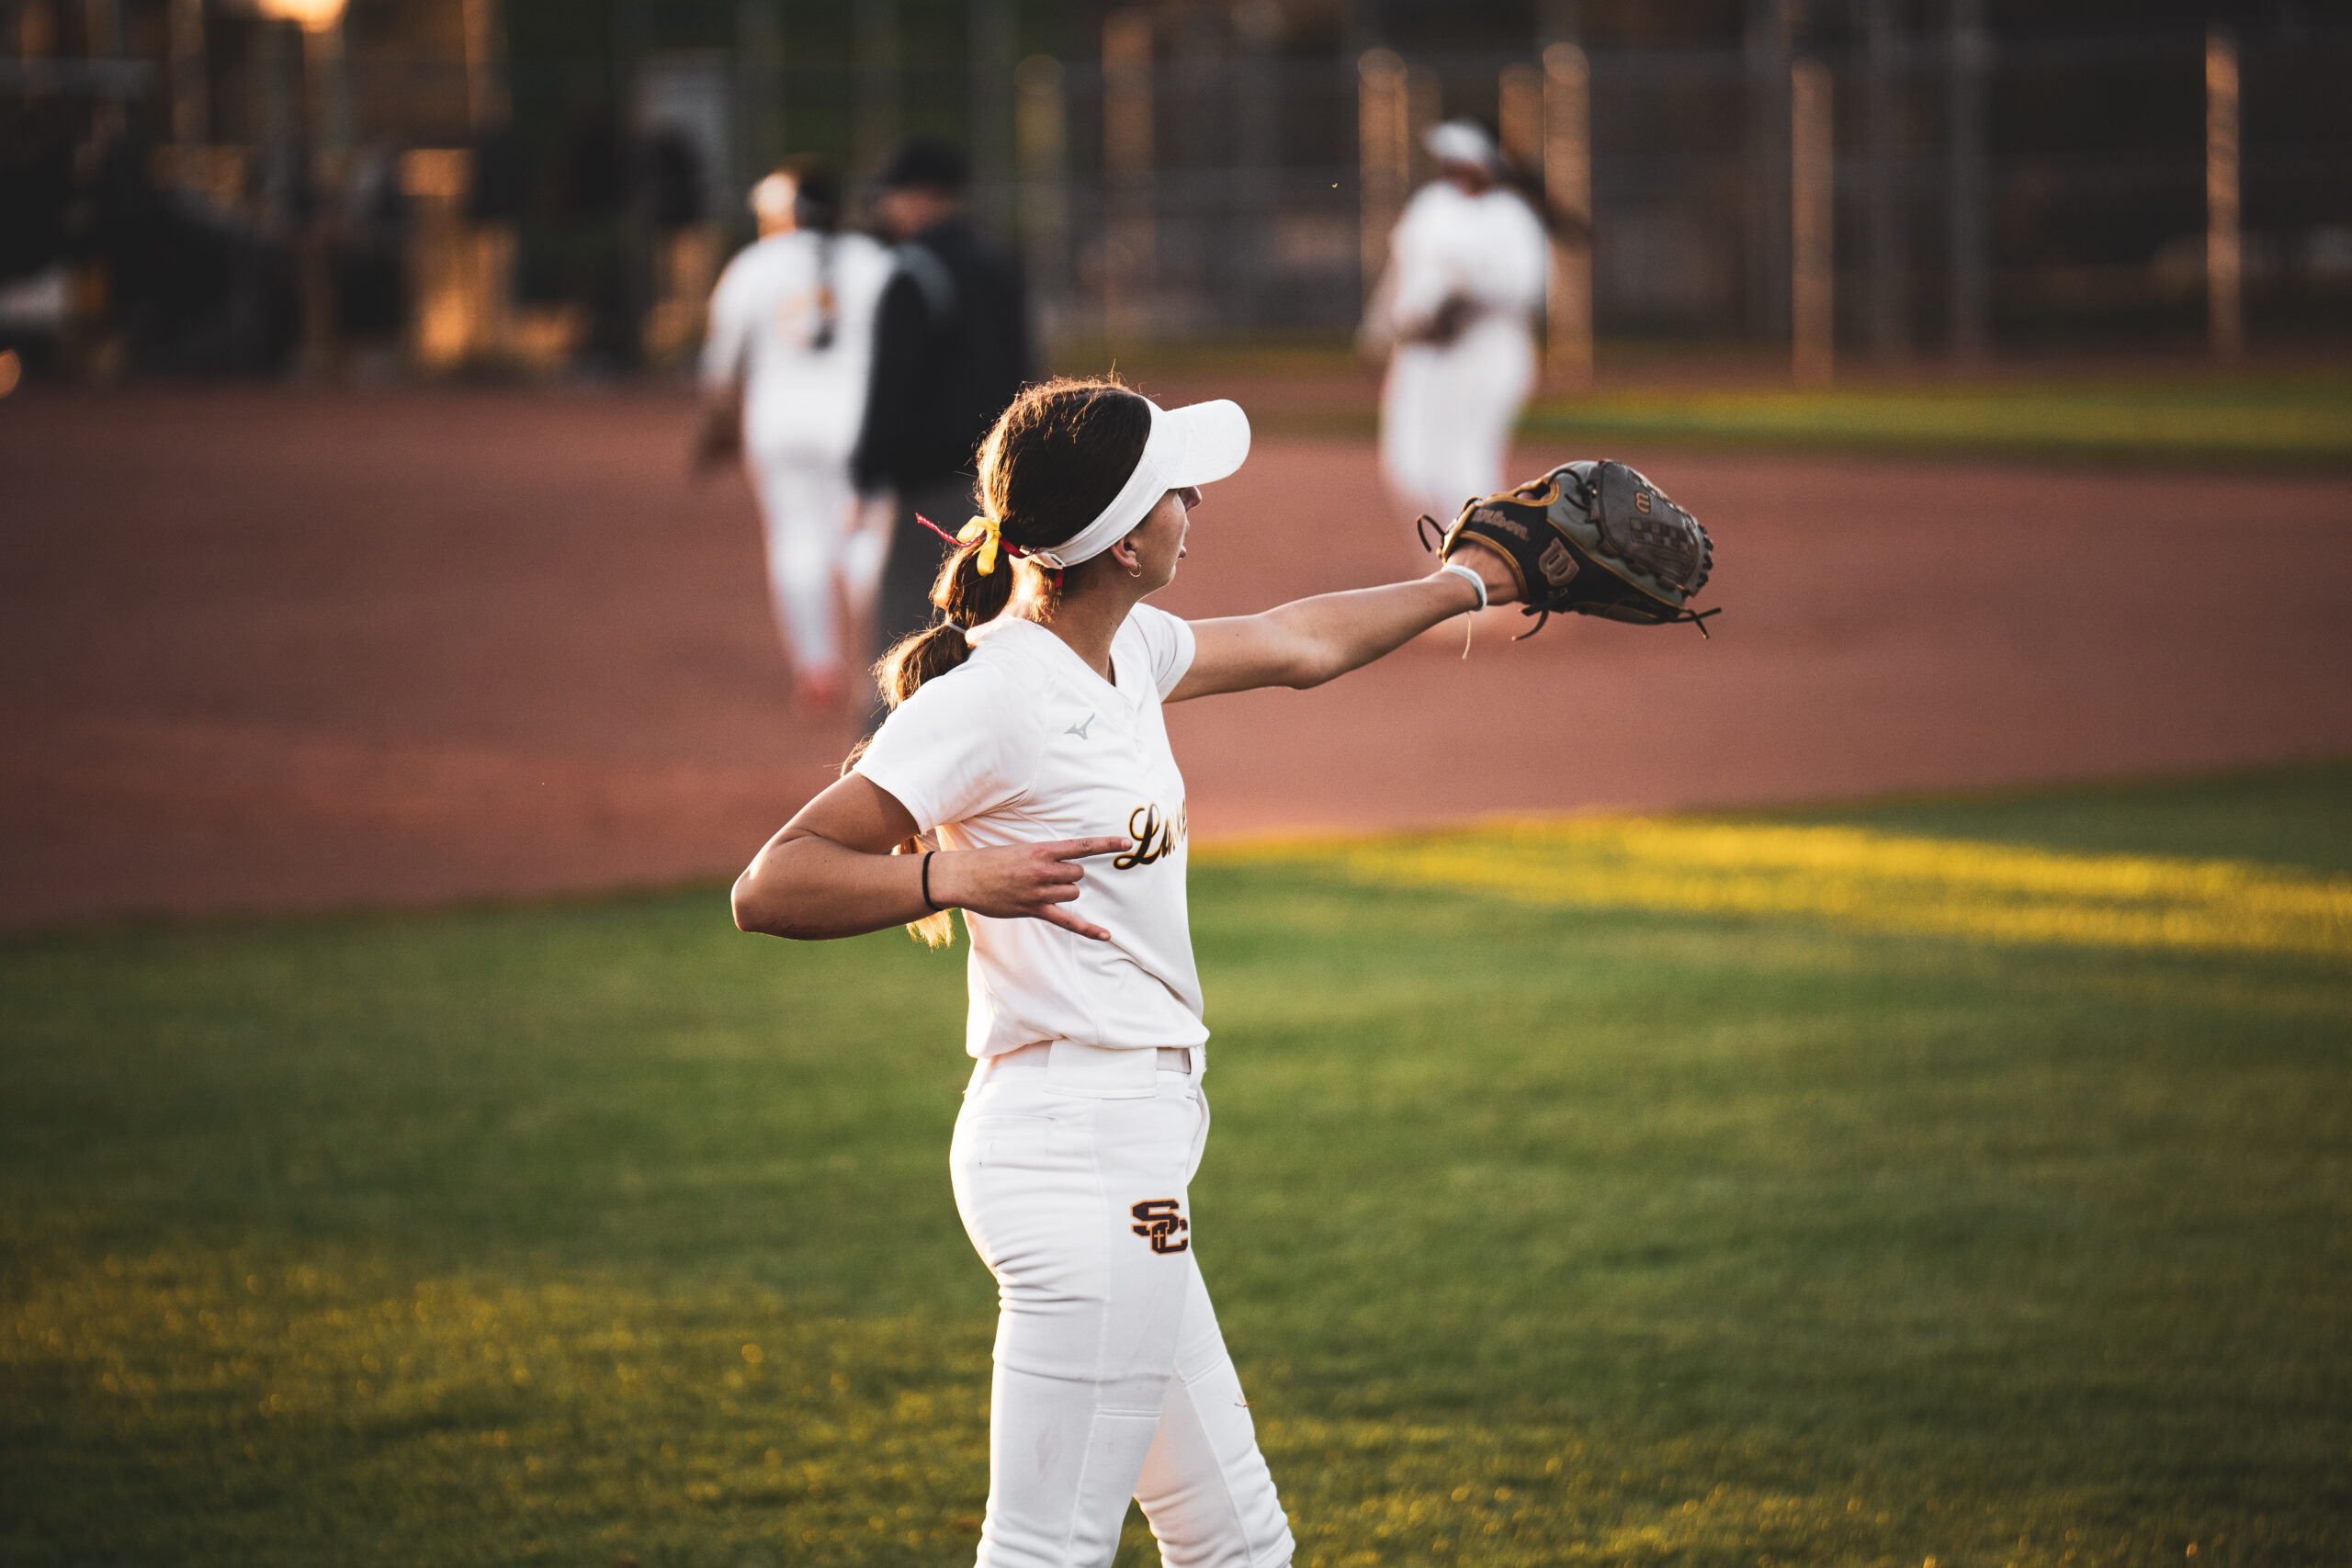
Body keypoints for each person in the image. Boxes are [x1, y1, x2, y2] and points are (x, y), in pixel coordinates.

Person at [730, 377, 1523, 1568]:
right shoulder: (994, 693)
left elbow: (1302, 643)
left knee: (1239, 1539)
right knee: (1048, 1547)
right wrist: (948, 880)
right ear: (1120, 535)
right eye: (1172, 487)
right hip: (1077, 1153)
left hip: (1122, 1149)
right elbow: (773, 879)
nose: (1195, 500)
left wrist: (1473, 582)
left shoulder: (1126, 650)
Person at [696, 157, 895, 711]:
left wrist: (715, 428)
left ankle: (817, 670)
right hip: (859, 421)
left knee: (796, 542)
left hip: (777, 424)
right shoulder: (874, 261)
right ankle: (883, 659)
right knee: (863, 543)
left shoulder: (754, 265)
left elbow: (719, 366)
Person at [851, 136, 1036, 695]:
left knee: (911, 623)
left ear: (920, 197)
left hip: (930, 483)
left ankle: (892, 752)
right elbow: (1027, 368)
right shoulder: (1000, 259)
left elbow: (891, 382)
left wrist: (867, 474)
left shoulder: (913, 269)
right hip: (1000, 476)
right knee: (995, 615)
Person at [1362, 118, 1550, 529]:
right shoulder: (1432, 203)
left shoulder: (1510, 215)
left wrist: (1463, 295)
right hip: (1423, 352)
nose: (1454, 169)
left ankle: (1482, 557)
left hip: (1487, 350)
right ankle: (1442, 559)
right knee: (1407, 459)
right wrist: (1380, 323)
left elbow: (1526, 288)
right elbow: (1401, 267)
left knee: (1467, 459)